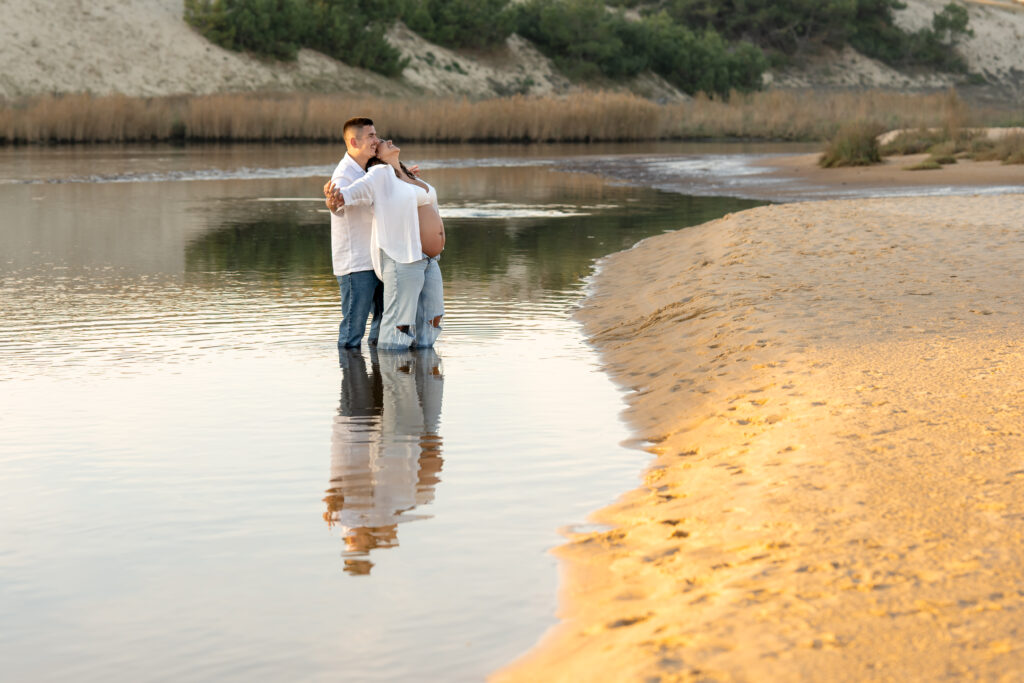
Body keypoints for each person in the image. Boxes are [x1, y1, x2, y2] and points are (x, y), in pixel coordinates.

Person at [324, 139, 446, 351]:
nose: (386, 141)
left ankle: (424, 369)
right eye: (380, 142)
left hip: (428, 257)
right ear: (377, 156)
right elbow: (353, 193)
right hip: (404, 256)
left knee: (432, 316)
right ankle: (392, 370)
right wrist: (336, 197)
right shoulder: (379, 174)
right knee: (400, 322)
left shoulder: (408, 175)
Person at [329, 117, 383, 348]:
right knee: (353, 331)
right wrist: (333, 204)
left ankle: (378, 378)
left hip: (376, 261)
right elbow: (338, 201)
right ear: (353, 141)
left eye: (375, 135)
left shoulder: (369, 170)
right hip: (355, 265)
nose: (376, 140)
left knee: (382, 323)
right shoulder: (343, 176)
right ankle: (351, 379)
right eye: (371, 136)